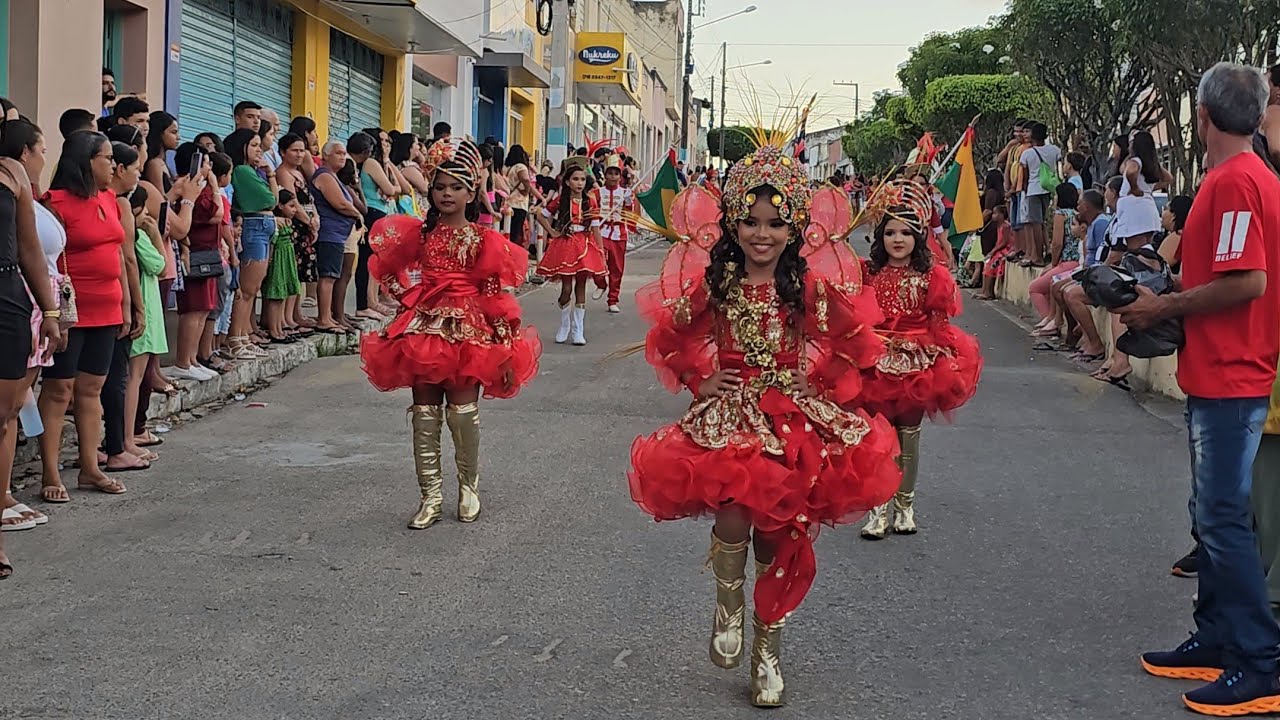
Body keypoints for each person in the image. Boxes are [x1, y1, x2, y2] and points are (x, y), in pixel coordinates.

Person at [626, 142, 900, 708]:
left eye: (776, 224)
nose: (761, 234)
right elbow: (670, 335)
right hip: (728, 414)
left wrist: (817, 383)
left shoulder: (810, 291)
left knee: (778, 534)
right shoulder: (717, 287)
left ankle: (767, 651)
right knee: (731, 515)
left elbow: (856, 344)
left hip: (790, 421)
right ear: (731, 224)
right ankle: (728, 604)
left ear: (795, 229)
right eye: (749, 222)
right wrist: (698, 381)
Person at [1120, 62, 1280, 717]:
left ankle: (1259, 662)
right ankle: (1216, 637)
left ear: (1203, 116)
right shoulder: (1245, 177)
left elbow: (1248, 280)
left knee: (1220, 519)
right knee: (1215, 519)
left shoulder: (1238, 181)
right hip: (1224, 369)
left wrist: (1163, 308)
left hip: (1233, 374)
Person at [360, 139, 540, 529]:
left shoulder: (484, 238)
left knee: (462, 414)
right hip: (423, 327)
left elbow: (494, 294)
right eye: (440, 186)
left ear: (471, 191)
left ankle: (468, 488)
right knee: (424, 414)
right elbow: (387, 266)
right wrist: (409, 296)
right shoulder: (420, 234)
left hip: (469, 331)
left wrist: (504, 341)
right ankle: (430, 497)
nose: (446, 194)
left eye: (455, 187)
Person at [855, 180, 983, 539]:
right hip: (875, 362)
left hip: (917, 365)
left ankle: (905, 507)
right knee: (878, 438)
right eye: (890, 232)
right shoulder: (867, 272)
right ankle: (877, 509)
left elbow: (939, 327)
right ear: (879, 236)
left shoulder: (932, 276)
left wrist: (941, 360)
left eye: (907, 233)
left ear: (919, 236)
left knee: (908, 438)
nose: (898, 240)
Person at [39, 131, 127, 500]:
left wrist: (127, 304)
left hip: (108, 303)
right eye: (106, 158)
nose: (112, 166)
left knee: (92, 388)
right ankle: (50, 472)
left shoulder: (108, 197)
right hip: (72, 310)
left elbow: (120, 253)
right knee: (60, 390)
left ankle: (90, 467)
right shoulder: (54, 203)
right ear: (86, 161)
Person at [0, 118, 62, 550]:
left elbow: (30, 251)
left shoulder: (12, 172)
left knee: (4, 411)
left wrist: (52, 311)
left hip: (6, 294)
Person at [535, 165, 605, 346]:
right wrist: (551, 231)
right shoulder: (560, 200)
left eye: (582, 179)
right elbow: (541, 215)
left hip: (584, 245)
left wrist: (600, 250)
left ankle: (578, 330)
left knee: (580, 286)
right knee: (566, 289)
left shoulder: (591, 201)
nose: (579, 183)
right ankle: (565, 323)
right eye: (575, 179)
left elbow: (596, 227)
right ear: (567, 181)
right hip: (566, 244)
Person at [122, 184, 167, 463]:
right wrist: (155, 235)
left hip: (146, 312)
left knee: (135, 378)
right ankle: (129, 437)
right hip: (144, 313)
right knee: (134, 379)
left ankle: (127, 435)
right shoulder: (137, 236)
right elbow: (160, 265)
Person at [225, 127, 278, 357]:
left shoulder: (255, 171)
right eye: (254, 146)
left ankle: (244, 335)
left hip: (264, 226)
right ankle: (236, 337)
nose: (260, 151)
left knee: (254, 287)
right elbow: (270, 199)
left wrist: (269, 173)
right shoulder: (243, 171)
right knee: (246, 288)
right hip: (254, 225)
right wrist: (272, 177)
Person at [310, 141, 361, 333]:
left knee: (333, 275)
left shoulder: (333, 176)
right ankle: (324, 318)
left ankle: (330, 316)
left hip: (337, 234)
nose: (343, 157)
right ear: (326, 155)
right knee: (328, 276)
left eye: (344, 153)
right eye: (338, 153)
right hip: (329, 233)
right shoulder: (325, 176)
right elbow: (339, 203)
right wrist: (357, 214)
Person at [1029, 183, 1081, 335]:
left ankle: (1050, 319)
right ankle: (1051, 318)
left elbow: (1057, 243)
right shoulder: (1076, 214)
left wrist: (1053, 263)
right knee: (1046, 279)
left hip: (1067, 261)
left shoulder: (1061, 214)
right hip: (1077, 260)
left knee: (1035, 288)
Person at [590, 153, 635, 313]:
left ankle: (613, 299)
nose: (613, 176)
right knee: (597, 263)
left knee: (617, 268)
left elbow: (630, 213)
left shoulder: (625, 193)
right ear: (605, 174)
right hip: (600, 232)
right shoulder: (596, 193)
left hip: (618, 233)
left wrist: (629, 201)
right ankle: (601, 284)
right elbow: (591, 210)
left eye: (616, 173)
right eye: (610, 173)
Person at [1019, 121, 1061, 264]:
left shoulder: (1027, 154)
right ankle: (1045, 250)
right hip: (1048, 188)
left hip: (1033, 189)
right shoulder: (1054, 150)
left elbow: (1024, 176)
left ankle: (1038, 256)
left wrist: (1024, 189)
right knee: (1042, 221)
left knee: (1036, 223)